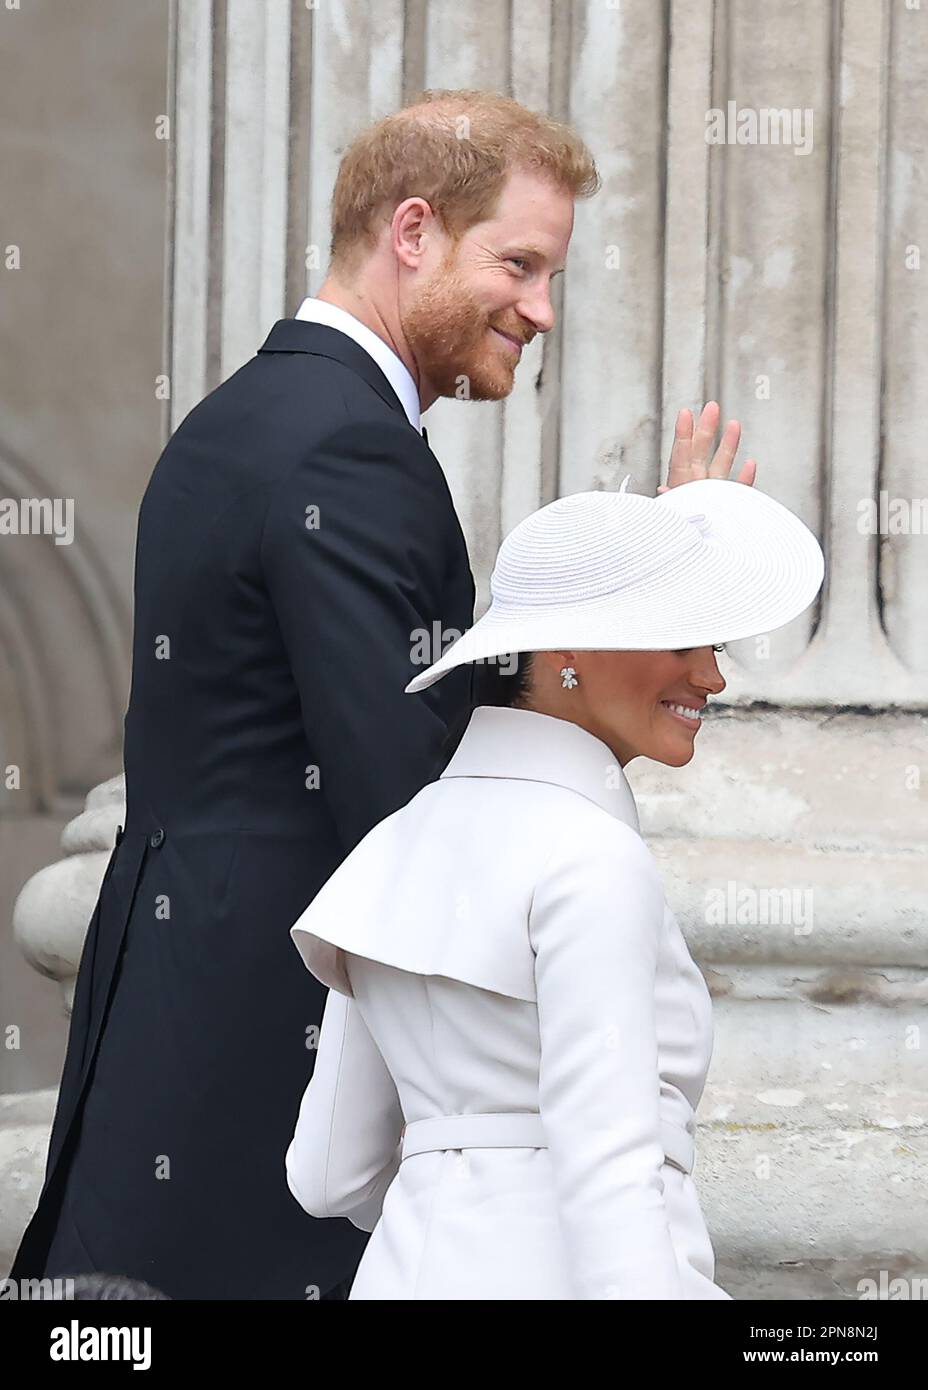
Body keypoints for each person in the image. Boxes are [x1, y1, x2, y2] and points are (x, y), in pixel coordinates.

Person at [8, 89, 598, 1300]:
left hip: (165, 1059)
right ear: (415, 231)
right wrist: (640, 625)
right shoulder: (350, 446)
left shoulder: (234, 420)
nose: (541, 310)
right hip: (259, 1095)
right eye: (521, 264)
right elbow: (415, 787)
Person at [284, 476, 824, 1299]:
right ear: (568, 652)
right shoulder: (592, 857)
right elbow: (609, 1179)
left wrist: (462, 1171)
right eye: (683, 640)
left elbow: (326, 1174)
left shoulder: (390, 848)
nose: (711, 677)